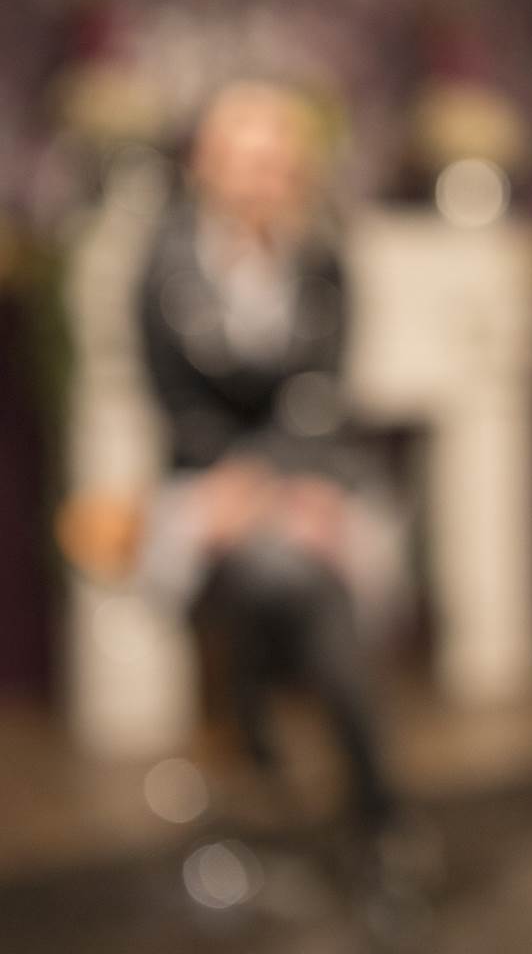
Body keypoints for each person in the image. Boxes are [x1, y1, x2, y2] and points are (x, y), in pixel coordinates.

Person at [132, 80, 405, 843]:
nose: (264, 181)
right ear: (207, 167)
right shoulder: (164, 264)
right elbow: (175, 405)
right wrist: (246, 492)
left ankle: (276, 762)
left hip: (309, 480)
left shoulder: (323, 264)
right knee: (282, 571)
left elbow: (324, 395)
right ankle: (369, 800)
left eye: (280, 165)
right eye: (247, 162)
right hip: (205, 487)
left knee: (312, 566)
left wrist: (287, 489)